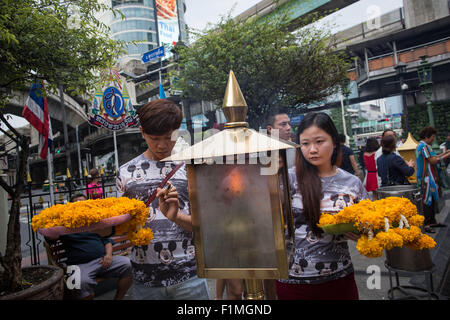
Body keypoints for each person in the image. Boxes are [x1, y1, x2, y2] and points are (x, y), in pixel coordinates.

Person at [116, 99, 210, 300]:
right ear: (142, 132)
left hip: (189, 276)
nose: (162, 145)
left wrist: (175, 216)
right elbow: (120, 225)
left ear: (178, 130)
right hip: (144, 279)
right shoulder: (125, 173)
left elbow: (205, 225)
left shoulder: (192, 166)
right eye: (154, 138)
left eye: (169, 137)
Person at [276, 112, 369, 300]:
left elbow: (371, 223)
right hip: (294, 282)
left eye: (319, 141)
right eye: (305, 143)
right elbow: (268, 217)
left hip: (339, 280)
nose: (312, 150)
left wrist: (362, 231)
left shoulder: (352, 183)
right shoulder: (288, 178)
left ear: (334, 142)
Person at [45, 194, 133, 300]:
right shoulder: (65, 225)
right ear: (71, 207)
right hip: (78, 266)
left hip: (103, 260)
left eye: (82, 202)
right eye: (76, 203)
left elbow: (107, 241)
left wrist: (109, 255)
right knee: (79, 284)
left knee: (128, 264)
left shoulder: (94, 222)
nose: (80, 205)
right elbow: (51, 237)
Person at [416, 127, 450, 234]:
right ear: (427, 137)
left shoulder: (424, 146)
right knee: (427, 200)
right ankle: (427, 223)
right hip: (426, 177)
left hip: (428, 177)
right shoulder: (423, 146)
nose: (433, 139)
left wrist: (446, 153)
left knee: (430, 200)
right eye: (432, 137)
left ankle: (431, 221)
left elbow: (435, 157)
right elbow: (433, 160)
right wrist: (448, 155)